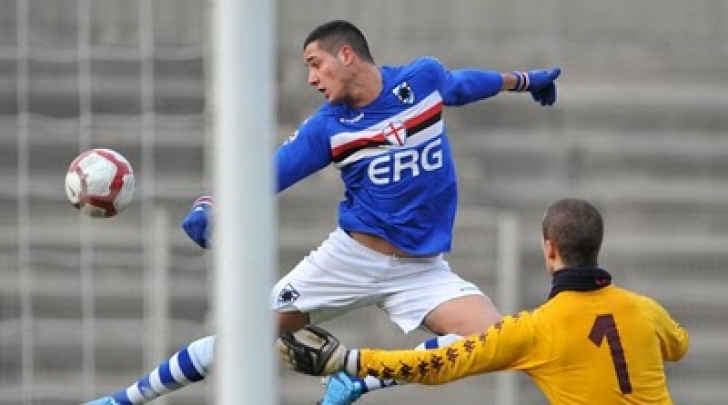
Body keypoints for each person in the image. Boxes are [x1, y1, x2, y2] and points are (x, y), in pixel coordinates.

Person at [86, 19, 561, 405]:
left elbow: (463, 84)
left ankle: (360, 379)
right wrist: (215, 206)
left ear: (346, 55)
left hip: (422, 270)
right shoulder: (327, 128)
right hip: (349, 262)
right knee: (241, 338)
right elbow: (268, 173)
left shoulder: (422, 80)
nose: (311, 78)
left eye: (315, 64)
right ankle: (123, 401)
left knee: (500, 343)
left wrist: (523, 80)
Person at [278, 197, 691, 404]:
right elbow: (679, 345)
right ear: (597, 246)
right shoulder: (645, 310)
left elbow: (439, 365)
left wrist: (349, 360)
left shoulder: (533, 331)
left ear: (549, 250)